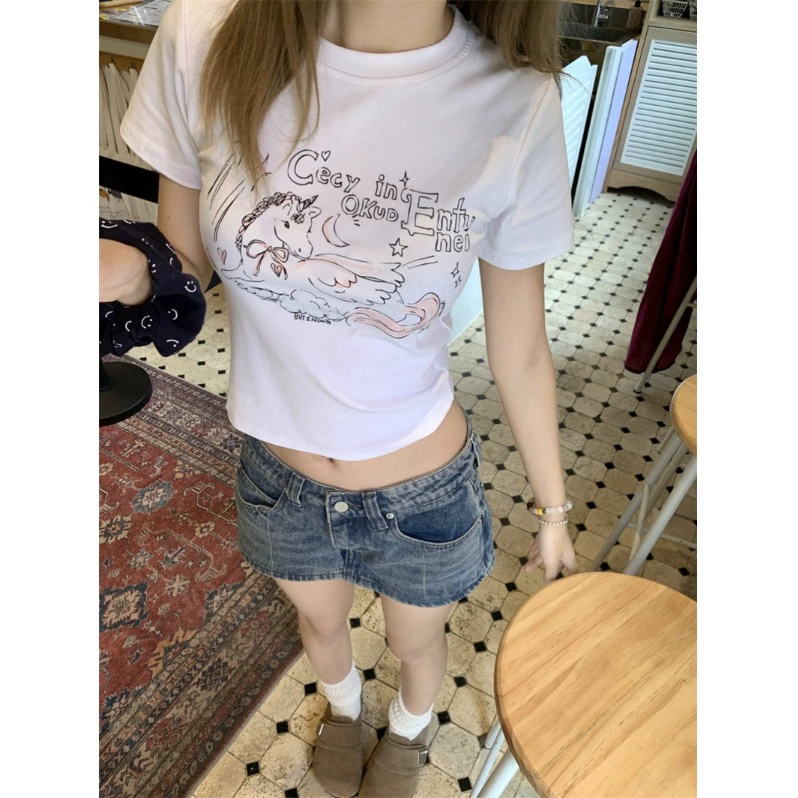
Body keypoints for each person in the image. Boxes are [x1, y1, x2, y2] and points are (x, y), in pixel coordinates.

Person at [99, 1, 579, 795]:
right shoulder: (207, 31)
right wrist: (132, 267)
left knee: (417, 645)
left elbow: (521, 349)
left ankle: (412, 729)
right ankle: (346, 709)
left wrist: (554, 510)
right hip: (279, 480)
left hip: (422, 490)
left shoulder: (516, 102)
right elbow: (187, 259)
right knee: (319, 623)